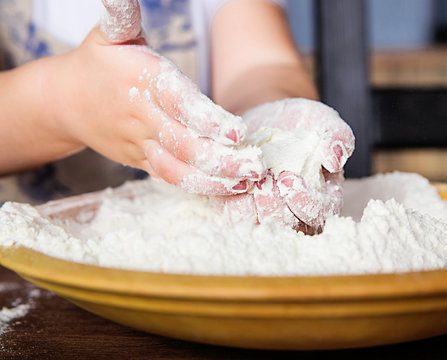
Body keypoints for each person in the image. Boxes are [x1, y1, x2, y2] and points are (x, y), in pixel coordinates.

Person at [0, 0, 353, 232]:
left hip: (192, 253)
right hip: (27, 274)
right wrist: (58, 101)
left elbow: (262, 66)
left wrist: (272, 121)